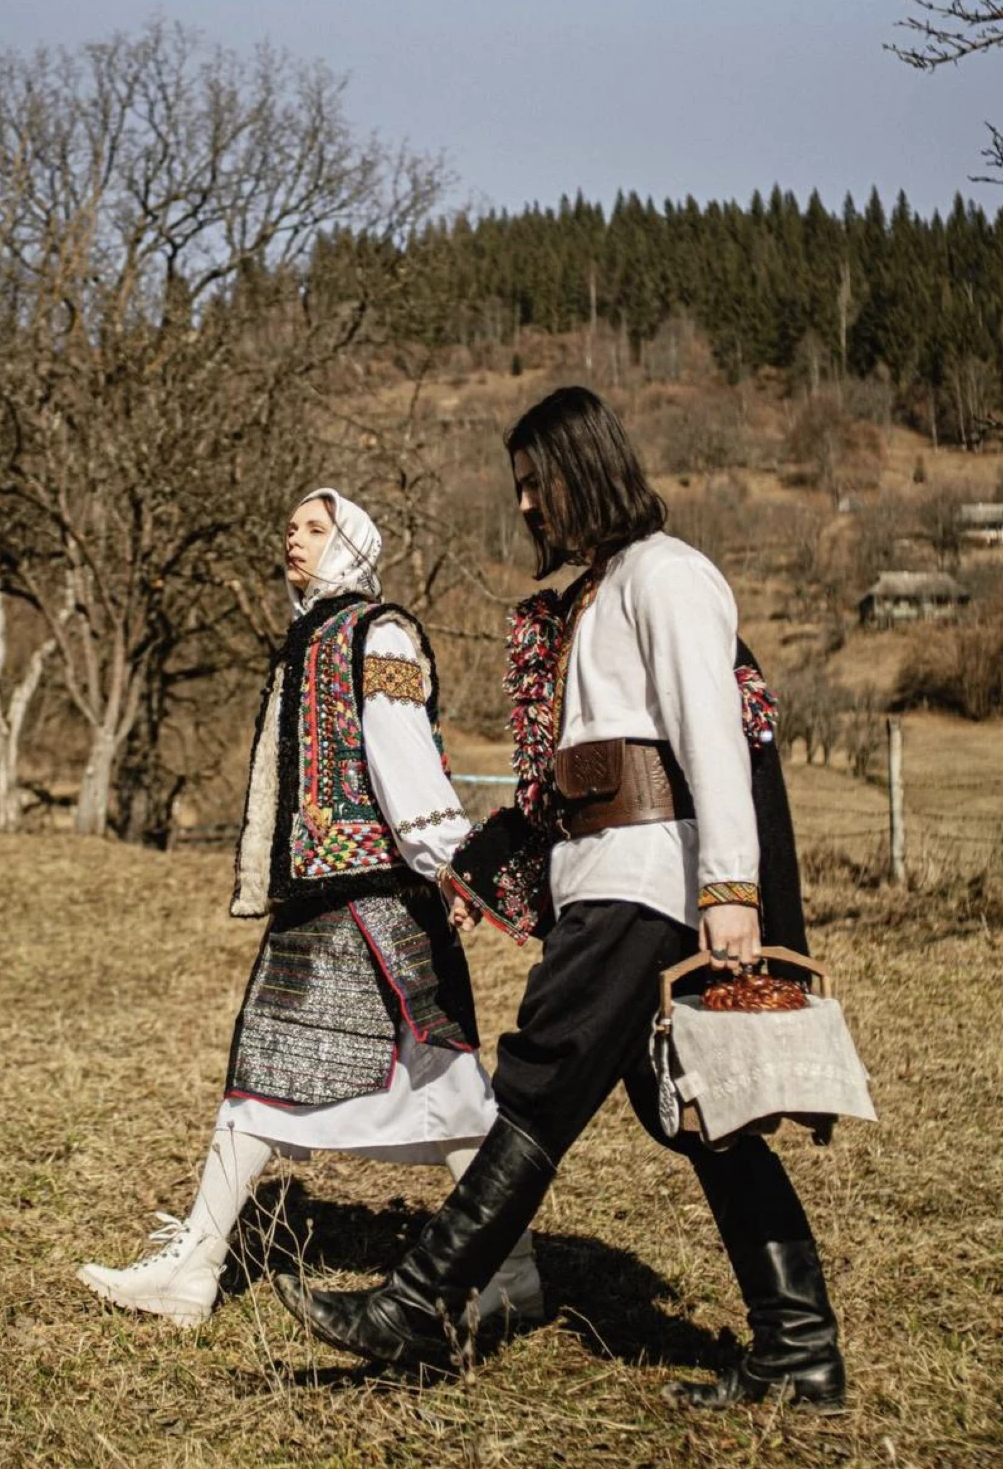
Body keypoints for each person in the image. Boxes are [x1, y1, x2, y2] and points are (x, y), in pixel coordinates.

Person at [276, 392, 846, 1412]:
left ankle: (418, 1301)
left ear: (586, 467)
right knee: (698, 1118)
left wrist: (732, 890)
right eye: (521, 487)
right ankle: (799, 1347)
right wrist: (485, 871)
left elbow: (715, 734)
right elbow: (560, 783)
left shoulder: (667, 574)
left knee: (538, 1081)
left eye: (538, 482)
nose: (528, 504)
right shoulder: (594, 596)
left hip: (652, 880)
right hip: (605, 878)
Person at [78, 488, 541, 1329]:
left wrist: (454, 867)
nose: (295, 539)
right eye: (291, 527)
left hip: (375, 907)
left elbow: (405, 758)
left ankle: (507, 1271)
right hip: (323, 903)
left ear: (354, 543)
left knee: (441, 1086)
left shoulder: (380, 635)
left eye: (316, 529)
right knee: (314, 1078)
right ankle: (199, 1264)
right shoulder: (308, 639)